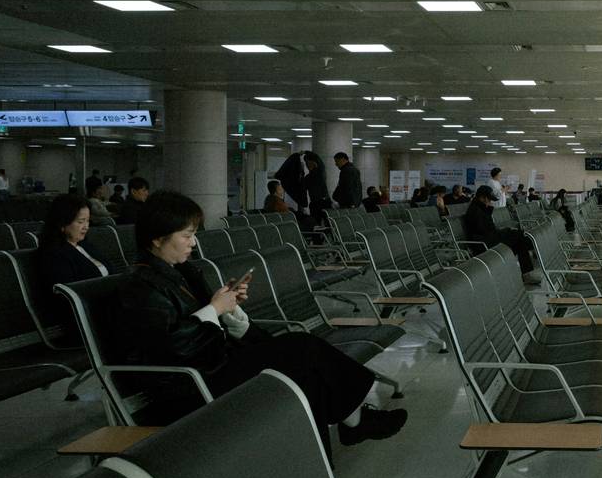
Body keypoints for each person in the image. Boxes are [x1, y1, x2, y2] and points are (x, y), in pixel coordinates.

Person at [115, 190, 406, 460]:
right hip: (187, 385)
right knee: (302, 348)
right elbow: (172, 345)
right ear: (157, 239)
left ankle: (320, 461)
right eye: (187, 235)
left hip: (212, 364)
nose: (193, 242)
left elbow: (202, 321)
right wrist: (215, 308)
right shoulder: (141, 286)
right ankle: (355, 420)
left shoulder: (182, 272)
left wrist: (227, 305)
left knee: (307, 375)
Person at [37, 194, 109, 337]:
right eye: (81, 221)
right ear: (62, 223)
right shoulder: (52, 254)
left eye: (88, 221)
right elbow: (69, 294)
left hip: (104, 311)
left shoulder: (85, 245)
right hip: (83, 318)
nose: (86, 226)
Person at [464, 185, 540, 283]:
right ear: (482, 198)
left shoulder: (480, 208)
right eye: (489, 200)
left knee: (520, 242)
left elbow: (489, 229)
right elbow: (485, 231)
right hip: (482, 244)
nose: (490, 202)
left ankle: (527, 273)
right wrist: (504, 232)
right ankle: (533, 249)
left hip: (488, 239)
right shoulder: (475, 211)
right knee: (518, 236)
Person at [302, 151, 330, 227]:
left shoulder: (320, 172)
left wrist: (306, 152)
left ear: (314, 162)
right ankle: (318, 238)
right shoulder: (307, 178)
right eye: (306, 163)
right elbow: (302, 189)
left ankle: (328, 237)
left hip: (324, 201)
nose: (308, 165)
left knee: (329, 223)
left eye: (309, 162)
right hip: (315, 203)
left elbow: (318, 159)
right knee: (315, 224)